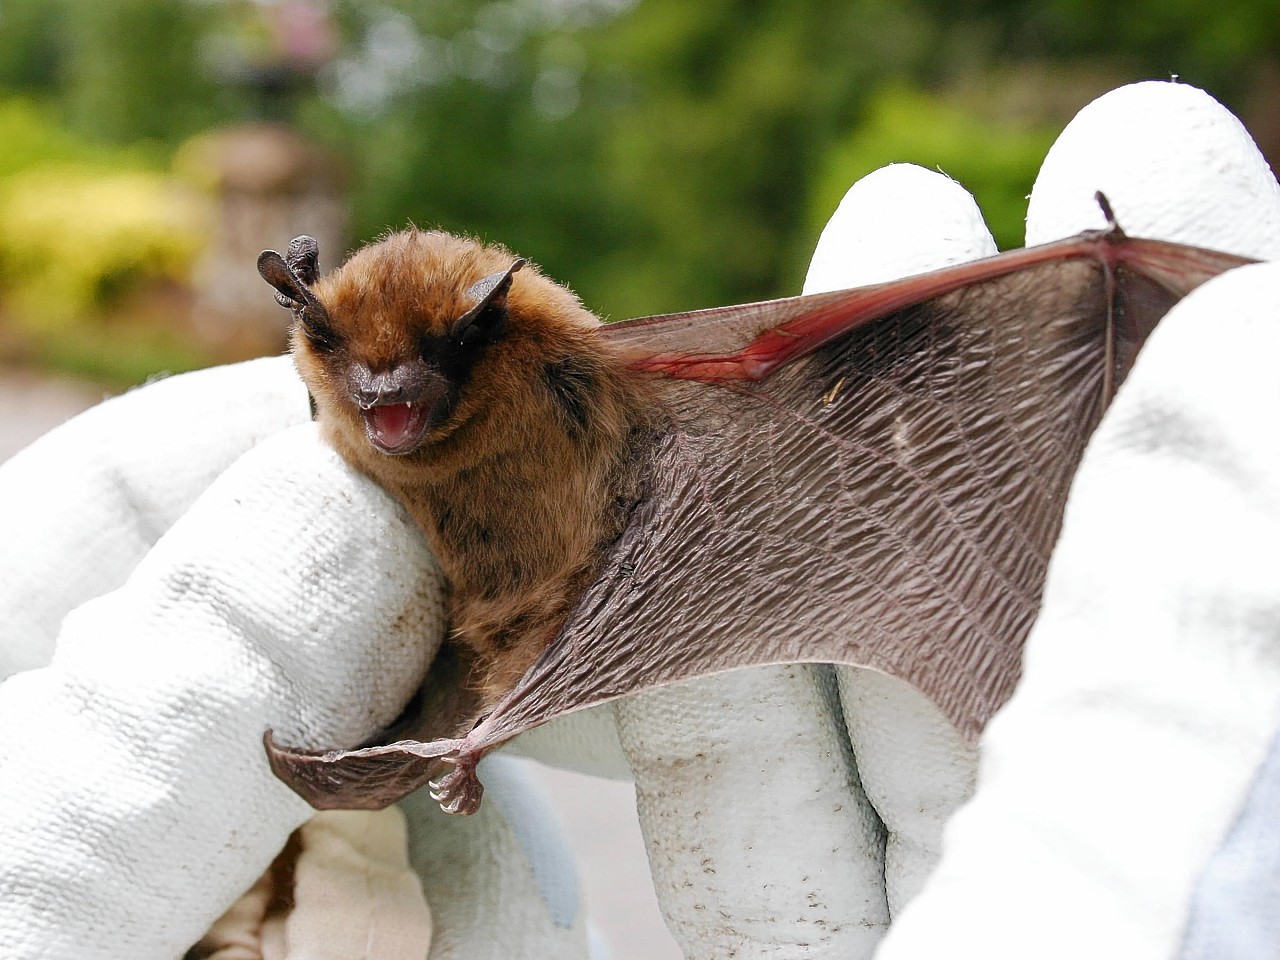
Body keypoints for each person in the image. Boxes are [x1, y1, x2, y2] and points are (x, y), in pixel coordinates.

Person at [1, 80, 1276, 959]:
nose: (389, 399)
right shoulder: (317, 414)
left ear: (491, 331)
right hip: (461, 642)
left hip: (619, 572)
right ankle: (450, 732)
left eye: (422, 370)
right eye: (356, 373)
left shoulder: (597, 389)